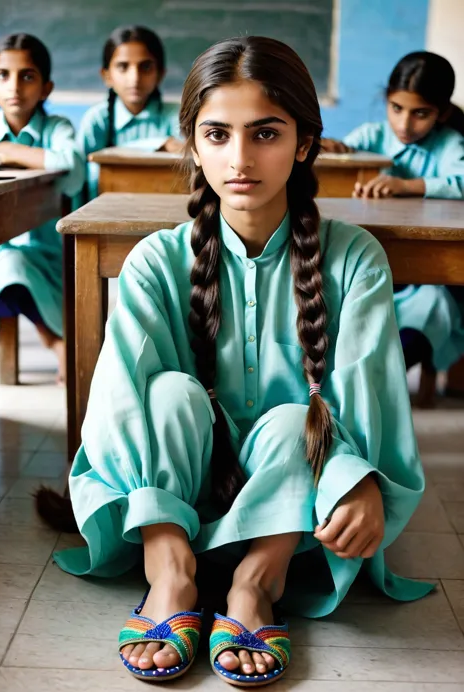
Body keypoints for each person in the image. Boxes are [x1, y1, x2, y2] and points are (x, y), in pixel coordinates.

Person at [53, 37, 433, 686]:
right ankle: (171, 573)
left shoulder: (354, 258)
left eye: (265, 134)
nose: (239, 158)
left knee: (296, 420)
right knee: (169, 392)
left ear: (305, 143)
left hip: (296, 510)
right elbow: (121, 407)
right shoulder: (155, 262)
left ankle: (258, 581)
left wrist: (360, 477)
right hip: (179, 495)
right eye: (217, 134)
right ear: (192, 145)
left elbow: (370, 398)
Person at [322, 51, 464, 395]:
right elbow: (344, 157)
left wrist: (406, 186)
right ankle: (342, 382)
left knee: (431, 310)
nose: (404, 124)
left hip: (427, 274)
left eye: (421, 114)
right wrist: (336, 150)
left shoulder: (449, 144)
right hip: (375, 261)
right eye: (396, 109)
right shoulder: (373, 134)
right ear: (386, 101)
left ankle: (377, 385)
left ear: (441, 113)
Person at [0, 33, 84, 381]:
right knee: (4, 262)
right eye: (2, 75)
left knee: (12, 264)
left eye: (27, 76)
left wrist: (9, 151)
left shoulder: (57, 127)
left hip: (47, 254)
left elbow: (71, 168)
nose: (14, 86)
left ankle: (56, 343)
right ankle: (56, 344)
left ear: (46, 87)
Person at [77, 25, 182, 200]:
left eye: (146, 67)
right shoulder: (97, 120)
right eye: (123, 67)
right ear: (107, 76)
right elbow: (77, 182)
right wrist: (160, 144)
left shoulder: (176, 116)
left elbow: (194, 162)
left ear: (160, 74)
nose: (135, 78)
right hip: (101, 219)